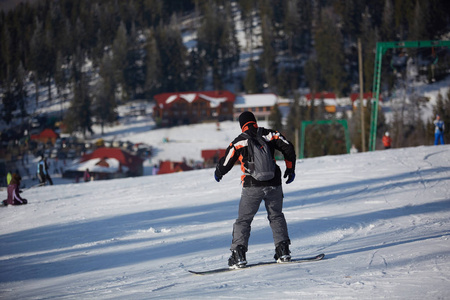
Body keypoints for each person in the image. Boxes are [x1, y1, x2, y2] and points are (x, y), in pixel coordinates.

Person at [214, 111, 297, 268]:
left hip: (251, 186)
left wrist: (218, 173)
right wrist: (290, 169)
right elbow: (288, 148)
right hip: (274, 184)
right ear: (254, 122)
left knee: (244, 220)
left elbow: (226, 161)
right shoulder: (270, 134)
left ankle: (238, 255)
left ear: (242, 125)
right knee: (276, 216)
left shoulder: (240, 141)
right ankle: (283, 251)